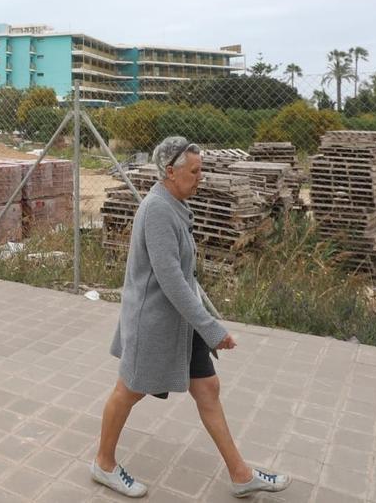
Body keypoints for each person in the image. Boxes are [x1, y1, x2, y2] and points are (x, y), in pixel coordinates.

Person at [91, 136, 291, 499]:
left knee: (208, 389)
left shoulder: (175, 204)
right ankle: (103, 464)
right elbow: (171, 281)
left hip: (181, 323)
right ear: (171, 172)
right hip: (152, 323)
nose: (201, 177)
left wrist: (208, 320)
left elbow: (186, 276)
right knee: (128, 391)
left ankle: (240, 474)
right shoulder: (157, 210)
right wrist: (212, 329)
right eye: (195, 171)